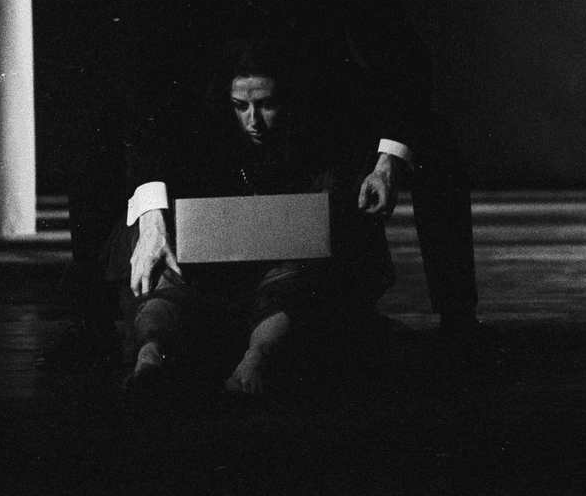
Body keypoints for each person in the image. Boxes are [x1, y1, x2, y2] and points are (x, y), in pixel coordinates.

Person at [123, 0, 479, 338]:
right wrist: (151, 217)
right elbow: (148, 94)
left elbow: (403, 56)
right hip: (218, 116)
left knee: (435, 144)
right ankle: (92, 323)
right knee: (108, 143)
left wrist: (388, 163)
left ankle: (459, 322)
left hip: (319, 109)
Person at [121, 34, 395, 394]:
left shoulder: (314, 144)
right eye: (240, 106)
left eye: (267, 105)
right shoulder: (204, 142)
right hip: (211, 276)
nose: (254, 121)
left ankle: (256, 359)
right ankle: (150, 356)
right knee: (165, 288)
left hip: (283, 275)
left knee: (289, 293)